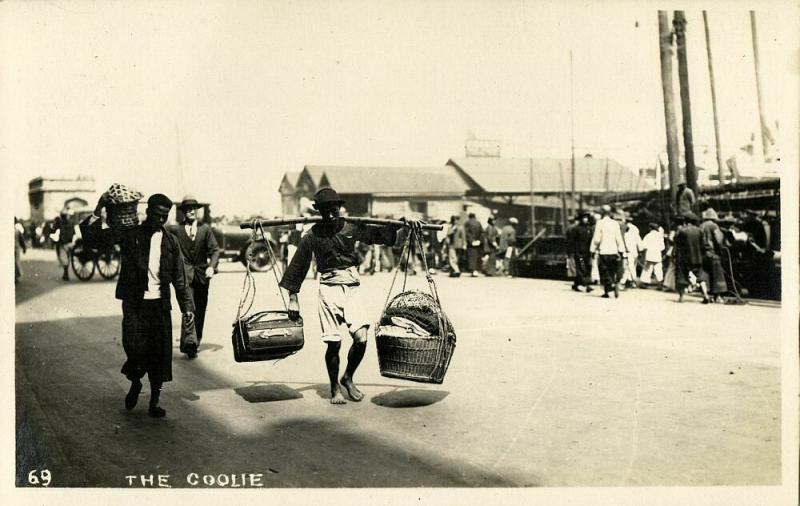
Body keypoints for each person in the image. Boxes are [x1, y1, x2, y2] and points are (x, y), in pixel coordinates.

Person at [279, 187, 418, 405]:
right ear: (319, 211)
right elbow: (297, 267)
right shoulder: (312, 235)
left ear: (339, 208)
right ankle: (334, 386)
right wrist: (293, 297)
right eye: (325, 210)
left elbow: (381, 236)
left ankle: (348, 377)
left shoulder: (351, 227)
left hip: (352, 288)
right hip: (328, 289)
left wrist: (404, 223)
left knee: (361, 338)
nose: (330, 214)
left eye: (333, 209)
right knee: (333, 343)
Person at [81, 192, 195, 418]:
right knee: (134, 349)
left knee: (159, 355)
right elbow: (94, 239)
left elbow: (180, 278)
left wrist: (187, 308)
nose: (161, 220)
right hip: (135, 305)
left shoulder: (171, 241)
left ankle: (154, 402)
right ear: (148, 211)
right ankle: (135, 382)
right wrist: (98, 209)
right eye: (157, 215)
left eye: (165, 216)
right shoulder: (130, 234)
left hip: (159, 307)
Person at [167, 196, 220, 358]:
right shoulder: (176, 230)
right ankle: (189, 343)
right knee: (189, 308)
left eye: (193, 209)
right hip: (184, 277)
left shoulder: (205, 230)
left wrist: (212, 267)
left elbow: (215, 250)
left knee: (201, 309)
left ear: (197, 211)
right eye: (187, 209)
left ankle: (196, 340)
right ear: (183, 212)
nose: (191, 211)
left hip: (203, 276)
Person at [590, 205, 626, 298]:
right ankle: (614, 284)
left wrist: (593, 250)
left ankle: (609, 289)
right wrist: (621, 251)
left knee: (604, 271)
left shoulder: (600, 223)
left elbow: (597, 239)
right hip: (614, 251)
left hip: (603, 251)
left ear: (602, 213)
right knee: (612, 271)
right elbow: (619, 238)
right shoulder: (615, 223)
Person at [674, 212, 710, 303]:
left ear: (685, 221)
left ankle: (681, 297)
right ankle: (705, 295)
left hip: (684, 258)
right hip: (697, 258)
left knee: (681, 277)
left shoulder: (682, 231)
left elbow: (677, 245)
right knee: (700, 277)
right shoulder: (700, 231)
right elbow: (704, 245)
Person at [700, 208, 728, 302]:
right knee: (717, 274)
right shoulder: (714, 226)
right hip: (712, 253)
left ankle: (707, 294)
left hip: (703, 254)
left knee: (705, 274)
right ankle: (718, 296)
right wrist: (722, 247)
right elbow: (718, 240)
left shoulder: (701, 226)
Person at [567, 211, 594, 292]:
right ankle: (586, 285)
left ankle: (576, 284)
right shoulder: (576, 229)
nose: (585, 219)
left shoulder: (589, 229)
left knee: (587, 267)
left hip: (588, 251)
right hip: (579, 252)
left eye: (586, 218)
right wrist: (571, 252)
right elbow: (571, 241)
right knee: (581, 268)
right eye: (584, 218)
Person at [52, 209, 77, 281]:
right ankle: (65, 273)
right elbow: (74, 232)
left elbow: (54, 230)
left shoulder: (60, 223)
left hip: (63, 243)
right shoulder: (70, 223)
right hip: (70, 242)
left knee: (64, 258)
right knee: (67, 258)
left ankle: (66, 274)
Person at [620, 214, 643, 288]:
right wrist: (640, 250)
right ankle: (630, 281)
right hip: (634, 251)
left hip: (627, 251)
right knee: (631, 267)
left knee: (628, 267)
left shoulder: (624, 228)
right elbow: (638, 240)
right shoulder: (635, 229)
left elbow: (622, 240)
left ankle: (629, 281)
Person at [640, 222, 665, 288]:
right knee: (658, 268)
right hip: (657, 254)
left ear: (650, 228)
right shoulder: (659, 236)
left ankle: (645, 282)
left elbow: (644, 246)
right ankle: (660, 282)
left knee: (647, 268)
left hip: (650, 254)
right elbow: (663, 247)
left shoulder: (648, 236)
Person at [464, 212, 483, 277]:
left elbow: (466, 233)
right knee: (476, 256)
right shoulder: (478, 223)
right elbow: (481, 233)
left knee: (471, 257)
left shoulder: (467, 223)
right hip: (478, 243)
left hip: (471, 243)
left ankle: (473, 271)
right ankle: (476, 270)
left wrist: (471, 241)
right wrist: (479, 241)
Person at [15, 217, 26, 283]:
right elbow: (21, 240)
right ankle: (16, 276)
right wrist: (24, 247)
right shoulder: (17, 230)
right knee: (16, 262)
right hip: (16, 248)